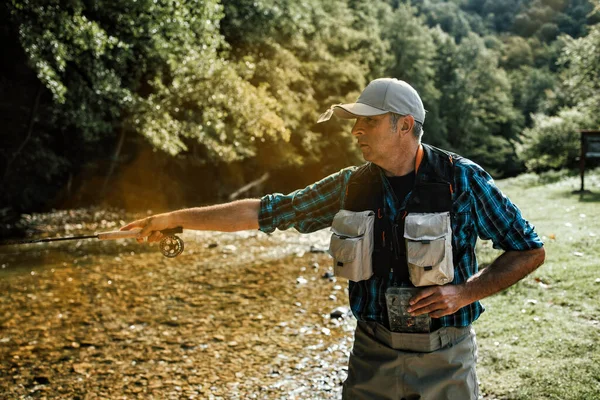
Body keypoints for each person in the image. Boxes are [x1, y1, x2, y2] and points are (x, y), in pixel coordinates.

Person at [122, 78, 545, 399]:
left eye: (368, 121)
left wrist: (466, 292)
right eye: (355, 122)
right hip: (372, 353)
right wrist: (173, 219)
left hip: (446, 358)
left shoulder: (462, 180)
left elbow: (530, 249)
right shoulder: (349, 185)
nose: (355, 130)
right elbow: (267, 211)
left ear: (405, 125)